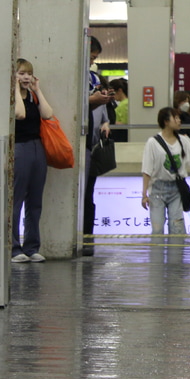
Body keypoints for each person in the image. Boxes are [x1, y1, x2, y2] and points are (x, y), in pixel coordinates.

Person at [141, 107, 190, 237]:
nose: (179, 120)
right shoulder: (152, 143)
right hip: (157, 190)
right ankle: (157, 257)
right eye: (175, 118)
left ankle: (176, 257)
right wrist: (144, 194)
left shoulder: (183, 140)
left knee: (177, 229)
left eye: (179, 118)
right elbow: (147, 170)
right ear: (166, 121)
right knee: (157, 229)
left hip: (176, 190)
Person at [12, 58, 53, 263]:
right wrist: (14, 89)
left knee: (35, 201)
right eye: (21, 73)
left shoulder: (33, 98)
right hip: (20, 148)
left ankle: (31, 246)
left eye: (29, 73)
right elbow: (19, 115)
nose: (26, 77)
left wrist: (37, 90)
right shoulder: (12, 98)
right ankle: (14, 248)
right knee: (16, 200)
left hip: (38, 149)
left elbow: (48, 114)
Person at [84, 38, 112, 239]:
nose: (92, 60)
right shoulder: (75, 77)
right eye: (91, 56)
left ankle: (87, 237)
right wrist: (90, 101)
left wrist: (105, 123)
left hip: (92, 146)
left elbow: (103, 115)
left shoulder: (93, 78)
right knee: (82, 195)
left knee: (88, 194)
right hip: (78, 146)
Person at [109, 78, 129, 142]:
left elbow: (125, 123)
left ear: (120, 91)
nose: (112, 96)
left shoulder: (125, 104)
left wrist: (112, 123)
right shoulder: (123, 104)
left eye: (113, 93)